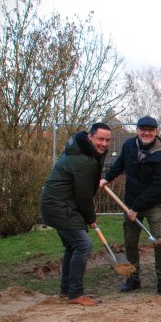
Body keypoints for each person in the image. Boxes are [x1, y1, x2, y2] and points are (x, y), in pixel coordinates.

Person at [100, 116, 161, 296]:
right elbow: (119, 165)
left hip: (154, 203)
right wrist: (107, 178)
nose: (146, 133)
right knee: (130, 243)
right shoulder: (129, 146)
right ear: (137, 130)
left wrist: (135, 208)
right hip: (131, 202)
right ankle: (133, 278)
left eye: (150, 130)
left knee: (160, 242)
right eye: (143, 129)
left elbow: (157, 187)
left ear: (156, 132)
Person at [40, 123, 112, 306]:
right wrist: (91, 218)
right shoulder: (83, 160)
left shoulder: (83, 151)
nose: (104, 143)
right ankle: (76, 294)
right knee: (83, 244)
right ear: (90, 137)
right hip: (60, 206)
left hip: (62, 204)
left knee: (72, 247)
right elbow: (83, 195)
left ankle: (67, 290)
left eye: (107, 140)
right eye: (100, 139)